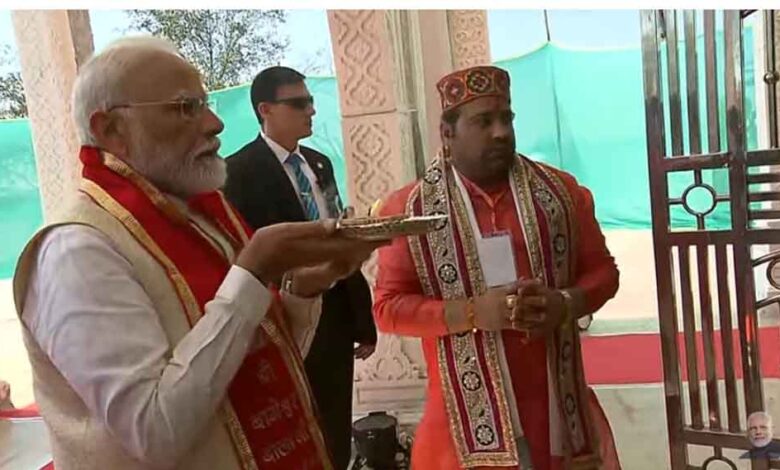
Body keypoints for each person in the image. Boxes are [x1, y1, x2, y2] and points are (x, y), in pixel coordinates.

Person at [13, 37, 385, 470]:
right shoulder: (77, 251)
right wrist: (252, 273)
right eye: (185, 107)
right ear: (111, 129)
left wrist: (304, 288)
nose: (214, 123)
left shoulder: (202, 215)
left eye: (205, 104)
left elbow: (256, 370)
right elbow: (153, 433)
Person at [372, 65, 622, 469]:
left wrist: (563, 303)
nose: (501, 132)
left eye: (507, 118)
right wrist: (472, 312)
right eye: (483, 122)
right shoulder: (410, 211)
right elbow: (388, 308)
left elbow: (604, 273)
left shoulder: (561, 194)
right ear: (447, 132)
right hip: (461, 420)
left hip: (554, 407)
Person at [224, 66, 377, 469]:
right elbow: (243, 254)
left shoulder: (319, 164)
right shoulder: (237, 172)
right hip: (285, 315)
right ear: (265, 109)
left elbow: (338, 235)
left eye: (310, 102)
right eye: (298, 103)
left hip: (336, 313)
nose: (311, 110)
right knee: (294, 422)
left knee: (336, 422)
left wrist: (362, 317)